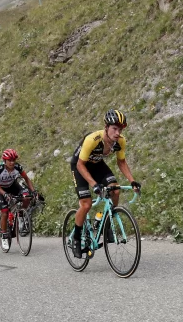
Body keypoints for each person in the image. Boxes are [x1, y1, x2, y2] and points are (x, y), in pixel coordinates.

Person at [69, 109, 141, 259]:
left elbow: (121, 162)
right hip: (80, 166)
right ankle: (76, 239)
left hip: (97, 164)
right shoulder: (93, 139)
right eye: (114, 128)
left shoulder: (120, 141)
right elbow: (81, 165)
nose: (117, 133)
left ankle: (106, 222)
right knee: (86, 204)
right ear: (106, 127)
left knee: (114, 190)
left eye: (120, 129)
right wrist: (94, 184)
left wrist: (132, 181)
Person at [0, 149, 36, 251]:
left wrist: (33, 191)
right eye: (10, 160)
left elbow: (26, 179)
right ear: (5, 160)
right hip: (1, 189)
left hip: (13, 186)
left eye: (14, 160)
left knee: (26, 196)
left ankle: (21, 215)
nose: (12, 162)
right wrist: (5, 194)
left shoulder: (17, 167)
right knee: (4, 212)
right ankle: (3, 236)